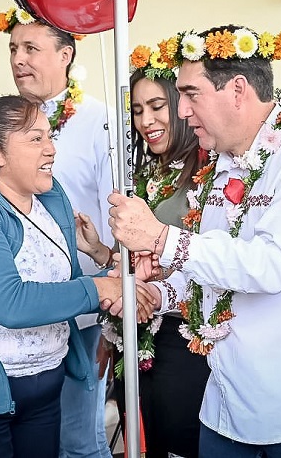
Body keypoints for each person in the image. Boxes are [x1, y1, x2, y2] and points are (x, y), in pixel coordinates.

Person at [107, 25, 281, 457]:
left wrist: (159, 237)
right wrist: (157, 292)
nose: (184, 112)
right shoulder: (220, 164)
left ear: (238, 89)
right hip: (226, 406)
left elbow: (270, 265)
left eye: (191, 95)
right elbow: (213, 274)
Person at [0, 95, 154, 457]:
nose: (51, 149)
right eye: (35, 138)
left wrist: (111, 276)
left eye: (49, 136)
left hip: (44, 386)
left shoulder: (50, 197)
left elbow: (62, 284)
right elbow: (11, 303)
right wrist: (103, 286)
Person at [76, 42, 211, 457]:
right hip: (141, 335)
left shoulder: (207, 174)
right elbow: (143, 263)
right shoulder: (147, 173)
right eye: (137, 111)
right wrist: (101, 252)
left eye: (157, 106)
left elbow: (203, 259)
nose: (146, 121)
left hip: (187, 339)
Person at [0, 6, 114, 457]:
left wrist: (110, 322)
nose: (18, 59)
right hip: (17, 309)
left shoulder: (100, 122)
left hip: (82, 311)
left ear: (65, 55)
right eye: (12, 49)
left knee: (79, 441)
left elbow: (115, 215)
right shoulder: (6, 123)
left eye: (30, 48)